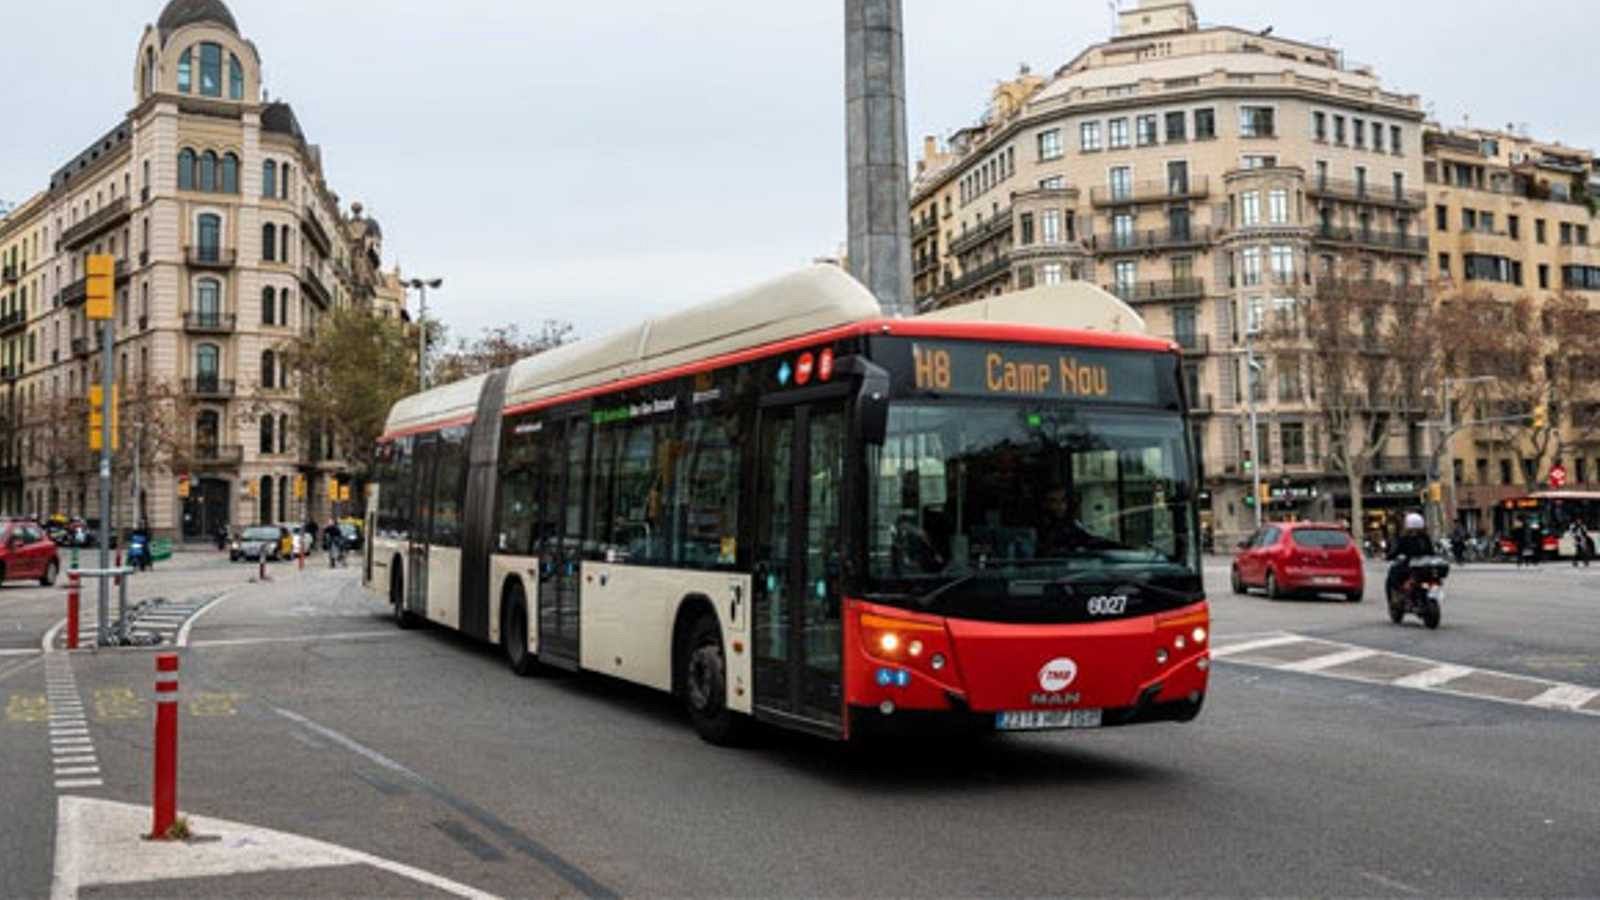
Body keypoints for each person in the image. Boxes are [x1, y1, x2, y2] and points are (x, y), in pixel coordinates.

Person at [1036, 485, 1114, 558]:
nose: (1060, 505)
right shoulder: (1034, 530)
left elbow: (1089, 540)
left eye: (1063, 500)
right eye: (1053, 501)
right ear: (1044, 504)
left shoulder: (1069, 526)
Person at [1386, 512, 1435, 598]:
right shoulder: (1425, 538)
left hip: (1411, 567)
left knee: (1393, 574)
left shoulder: (1405, 539)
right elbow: (1431, 552)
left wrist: (1389, 556)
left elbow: (1396, 551)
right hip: (1425, 567)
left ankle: (1399, 594)